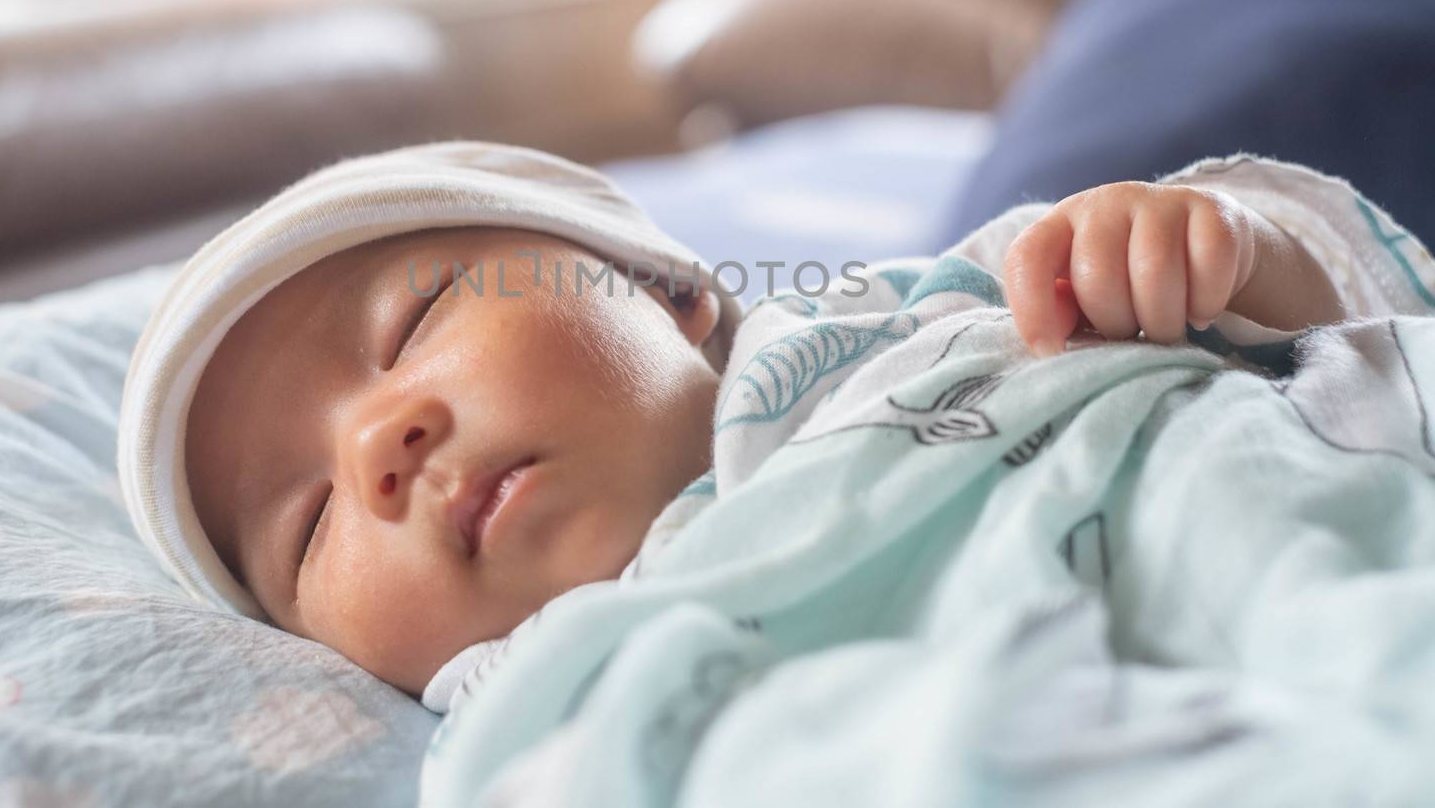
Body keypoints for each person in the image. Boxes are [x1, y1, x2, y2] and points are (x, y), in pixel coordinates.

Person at [115, 140, 1431, 715]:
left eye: (415, 319)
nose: (374, 450)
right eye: (309, 524)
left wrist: (1213, 251)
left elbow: (1351, 305)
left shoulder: (935, 315)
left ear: (668, 292)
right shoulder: (535, 705)